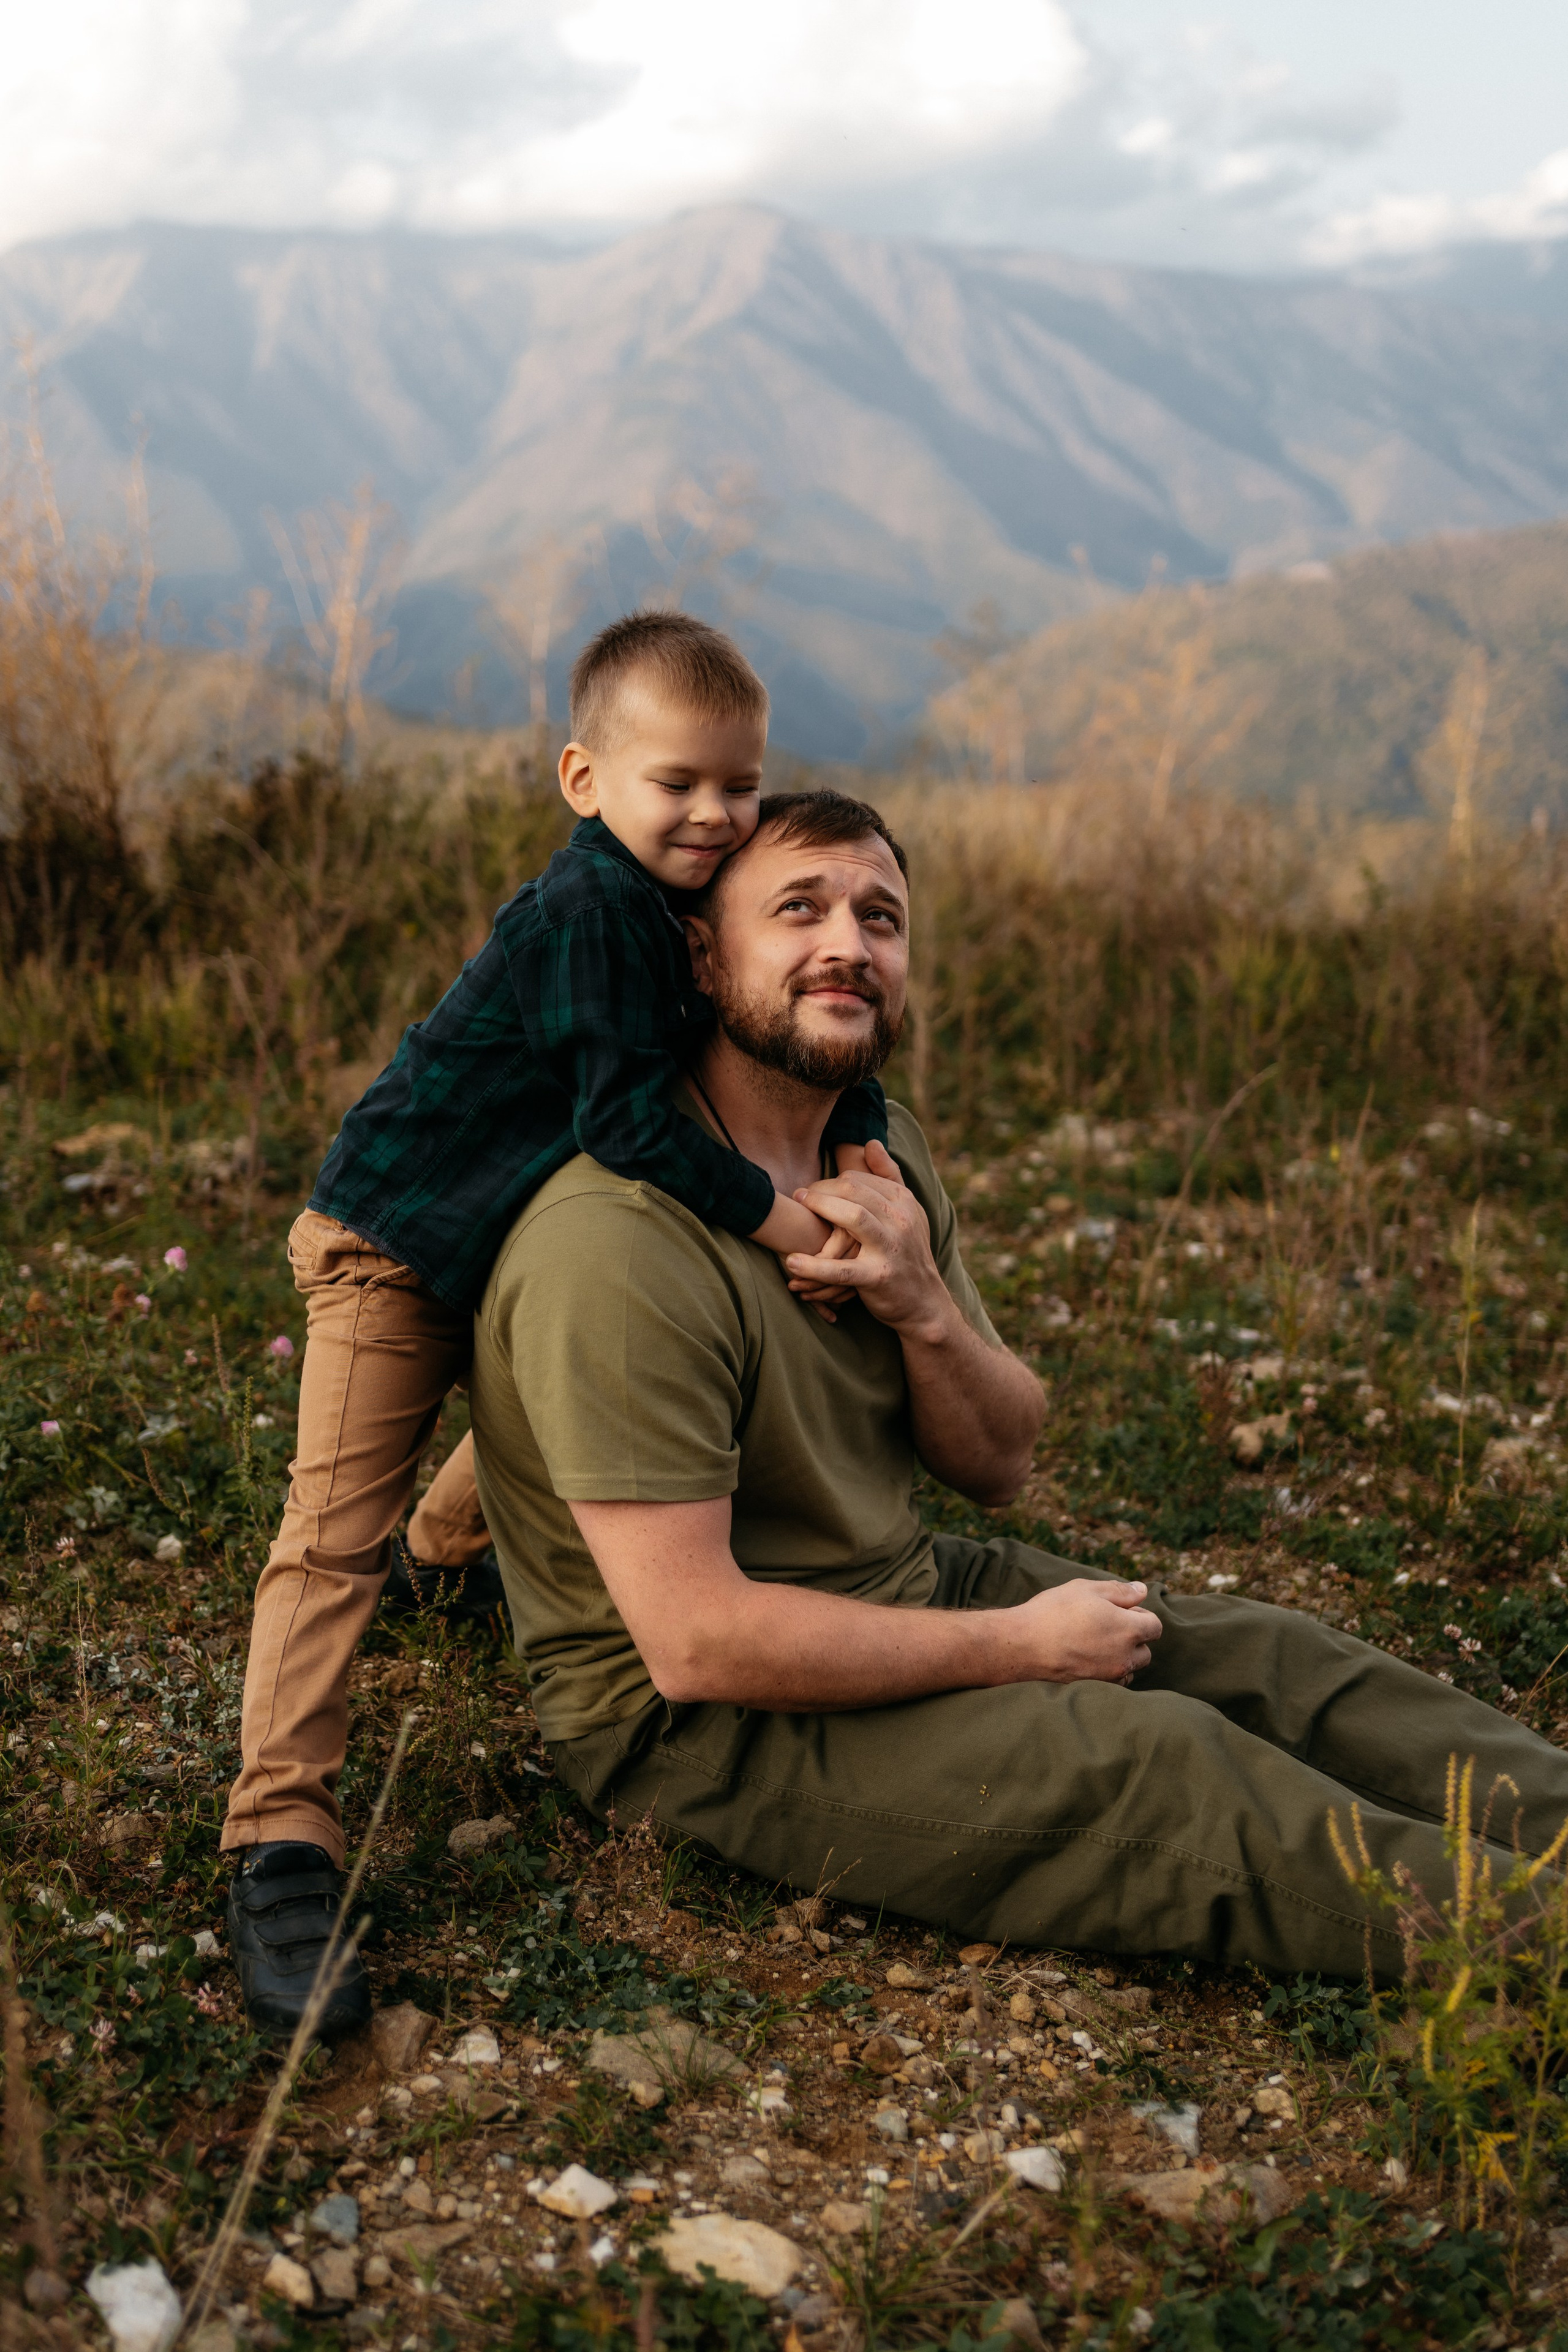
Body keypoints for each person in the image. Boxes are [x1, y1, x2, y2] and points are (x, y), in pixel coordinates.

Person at [468, 788, 1568, 1978]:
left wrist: (920, 1305)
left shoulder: (871, 1154)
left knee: (1273, 1664)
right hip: (697, 1724)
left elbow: (996, 1463)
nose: (847, 944)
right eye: (797, 908)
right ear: (700, 948)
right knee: (1159, 1767)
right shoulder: (619, 1239)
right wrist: (1017, 1646)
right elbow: (695, 1645)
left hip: (897, 1583)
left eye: (880, 917)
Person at [222, 616, 887, 2035]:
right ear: (584, 781)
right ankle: (279, 1839)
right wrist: (780, 1223)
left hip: (523, 1250)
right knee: (329, 1532)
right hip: (399, 1246)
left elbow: (766, 1037)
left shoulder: (690, 911)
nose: (713, 816)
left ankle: (446, 1561)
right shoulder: (588, 910)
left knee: (545, 1419)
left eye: (738, 784)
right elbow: (632, 1120)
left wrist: (860, 1156)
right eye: (676, 785)